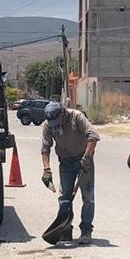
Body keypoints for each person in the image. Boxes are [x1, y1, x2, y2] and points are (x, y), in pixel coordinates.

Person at [40, 101, 99, 244]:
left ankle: (86, 231)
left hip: (83, 160)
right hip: (65, 163)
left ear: (62, 113)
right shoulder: (48, 124)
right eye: (51, 122)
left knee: (88, 197)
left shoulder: (76, 117)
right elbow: (45, 148)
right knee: (65, 198)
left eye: (56, 120)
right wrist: (46, 169)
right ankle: (65, 230)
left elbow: (93, 136)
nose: (55, 124)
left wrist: (87, 157)